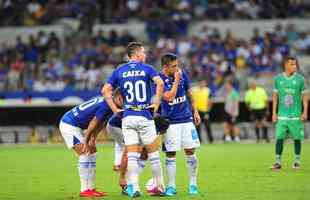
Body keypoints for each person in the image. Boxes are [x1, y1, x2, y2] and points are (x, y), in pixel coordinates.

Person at [102, 42, 165, 197]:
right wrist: (156, 103)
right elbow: (160, 83)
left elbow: (105, 90)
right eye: (143, 52)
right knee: (154, 155)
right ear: (136, 54)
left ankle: (134, 188)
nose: (145, 55)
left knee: (131, 155)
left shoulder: (119, 70)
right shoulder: (148, 68)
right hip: (144, 115)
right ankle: (159, 187)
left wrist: (115, 109)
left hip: (128, 117)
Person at [59, 90, 123, 198]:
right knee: (85, 153)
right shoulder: (107, 104)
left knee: (92, 154)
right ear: (120, 98)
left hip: (79, 126)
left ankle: (91, 188)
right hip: (69, 124)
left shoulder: (111, 104)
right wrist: (86, 140)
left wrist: (93, 138)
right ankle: (84, 189)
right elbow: (94, 122)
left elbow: (101, 123)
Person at [159, 53, 201, 196]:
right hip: (170, 122)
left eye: (177, 65)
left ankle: (193, 185)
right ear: (165, 67)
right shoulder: (158, 80)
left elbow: (190, 94)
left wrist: (195, 111)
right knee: (170, 154)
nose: (177, 68)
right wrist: (176, 81)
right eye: (174, 66)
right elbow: (168, 97)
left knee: (191, 152)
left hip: (186, 119)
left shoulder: (182, 74)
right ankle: (171, 186)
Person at [271, 57, 308, 170]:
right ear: (286, 65)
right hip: (282, 115)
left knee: (297, 138)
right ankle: (277, 162)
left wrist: (305, 112)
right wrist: (274, 113)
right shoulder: (278, 79)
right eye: (292, 64)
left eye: (295, 64)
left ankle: (297, 161)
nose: (295, 67)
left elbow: (305, 98)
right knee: (279, 138)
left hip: (296, 115)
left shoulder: (301, 79)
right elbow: (275, 98)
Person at [192, 79, 214, 143]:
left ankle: (211, 140)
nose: (203, 84)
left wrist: (208, 111)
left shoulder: (207, 90)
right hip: (196, 111)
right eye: (201, 83)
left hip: (204, 111)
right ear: (199, 83)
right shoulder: (194, 90)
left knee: (207, 126)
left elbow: (210, 101)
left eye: (204, 83)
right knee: (197, 126)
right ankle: (199, 140)